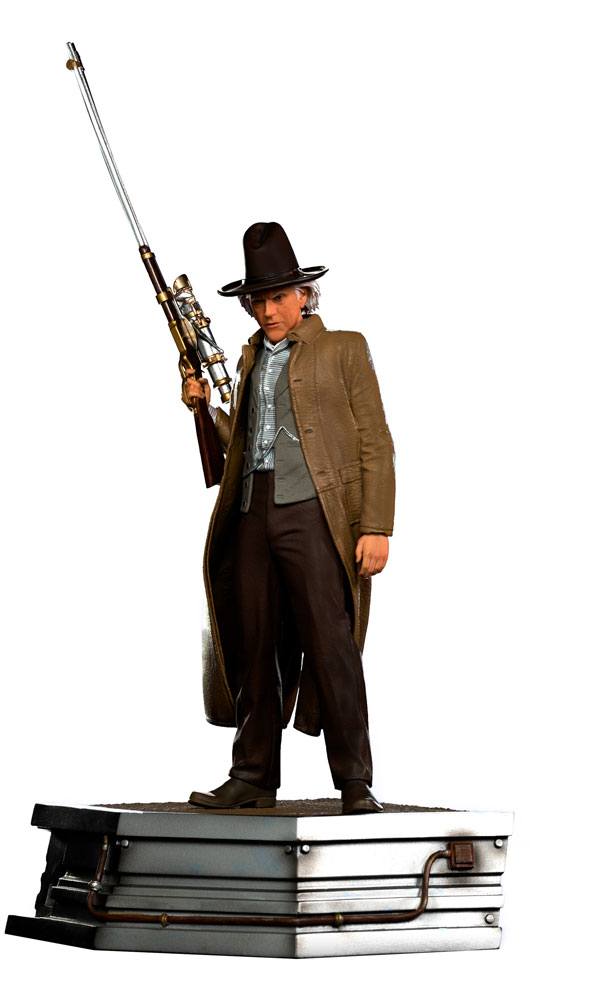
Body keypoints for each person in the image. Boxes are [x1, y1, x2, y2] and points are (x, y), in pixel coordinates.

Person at [183, 222, 395, 815]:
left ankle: (354, 780)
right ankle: (252, 775)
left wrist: (376, 525)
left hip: (313, 512)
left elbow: (375, 440)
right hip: (252, 510)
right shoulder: (250, 357)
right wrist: (204, 409)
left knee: (331, 644)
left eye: (278, 297)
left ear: (304, 295)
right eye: (258, 300)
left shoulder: (344, 348)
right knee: (254, 642)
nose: (268, 311)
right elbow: (242, 443)